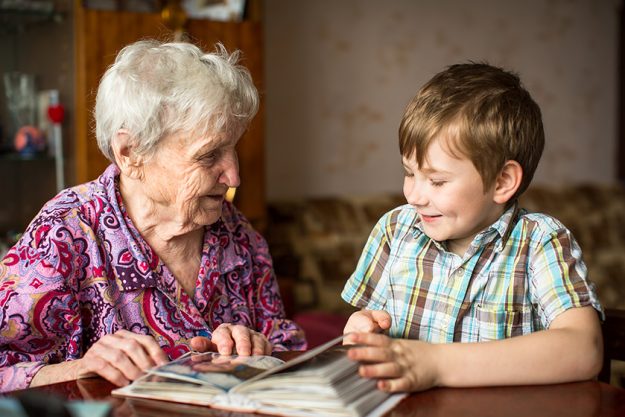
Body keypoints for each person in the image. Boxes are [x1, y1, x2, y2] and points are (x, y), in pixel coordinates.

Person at [0, 39, 306, 393]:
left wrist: (259, 348)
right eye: (208, 156)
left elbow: (288, 347)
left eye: (232, 149)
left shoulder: (237, 234)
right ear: (130, 153)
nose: (233, 176)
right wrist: (82, 368)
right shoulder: (63, 235)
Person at [341, 63, 603, 392]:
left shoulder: (539, 243)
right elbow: (370, 324)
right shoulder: (395, 230)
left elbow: (584, 349)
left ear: (502, 181)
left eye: (436, 181)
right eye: (410, 173)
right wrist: (363, 330)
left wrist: (435, 363)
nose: (414, 195)